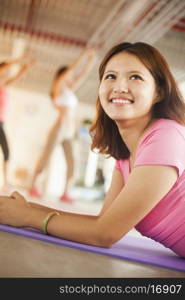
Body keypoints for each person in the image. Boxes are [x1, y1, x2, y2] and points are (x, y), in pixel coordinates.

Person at [0, 41, 185, 258]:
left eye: (135, 77)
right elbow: (103, 219)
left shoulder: (166, 136)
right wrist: (26, 208)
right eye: (110, 76)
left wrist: (28, 217)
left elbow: (105, 233)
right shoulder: (125, 154)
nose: (119, 86)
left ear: (159, 92)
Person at [29, 48, 96, 202]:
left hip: (69, 130)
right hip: (59, 127)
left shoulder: (69, 90)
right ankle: (33, 186)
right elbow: (72, 69)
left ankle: (65, 192)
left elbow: (83, 74)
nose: (72, 77)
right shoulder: (57, 88)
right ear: (62, 76)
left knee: (72, 160)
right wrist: (83, 55)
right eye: (69, 75)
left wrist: (90, 61)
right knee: (46, 157)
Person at [0, 56, 35, 191]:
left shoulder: (4, 85)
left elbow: (18, 76)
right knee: (7, 152)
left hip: (1, 124)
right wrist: (19, 60)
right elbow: (3, 68)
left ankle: (5, 183)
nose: (6, 75)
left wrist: (26, 67)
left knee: (7, 152)